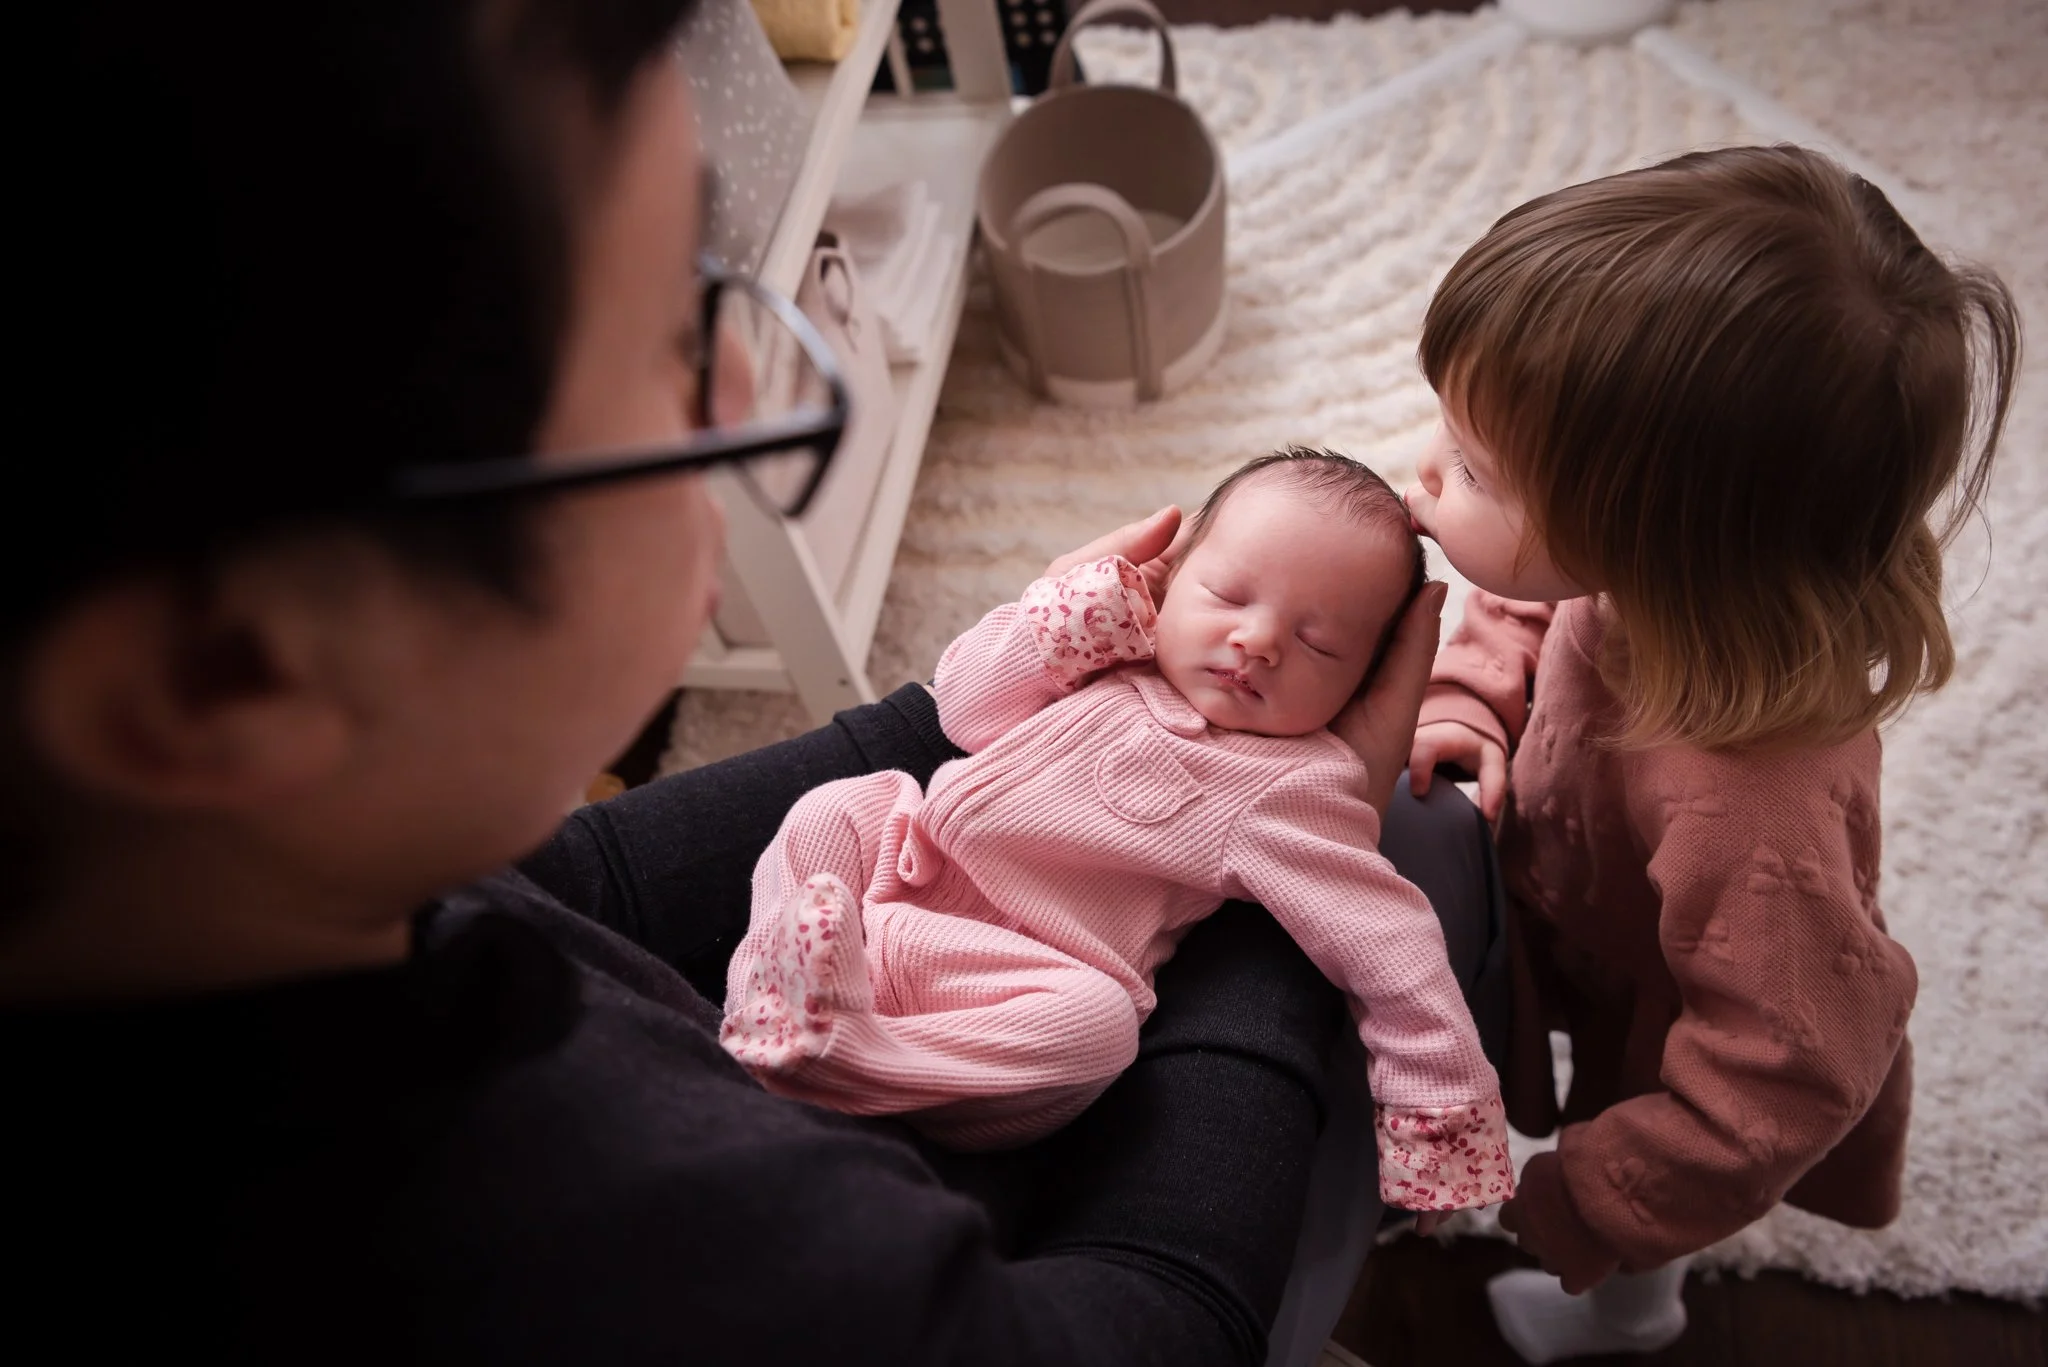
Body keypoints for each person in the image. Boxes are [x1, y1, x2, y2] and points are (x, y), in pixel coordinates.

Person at [3, 2, 1507, 1363]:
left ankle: (844, 979)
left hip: (1010, 977)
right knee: (1428, 855)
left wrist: (1275, 812)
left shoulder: (273, 887)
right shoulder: (693, 1262)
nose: (743, 397)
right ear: (227, 679)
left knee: (1117, 963)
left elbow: (592, 867)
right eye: (675, 340)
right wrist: (1294, 872)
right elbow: (1156, 1322)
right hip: (991, 1094)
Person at [1399, 144, 2020, 1364]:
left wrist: (1593, 1194)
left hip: (1685, 1004)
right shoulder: (1661, 574)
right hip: (1594, 910)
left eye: (1472, 468)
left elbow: (1785, 1068)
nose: (1421, 465)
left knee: (1644, 1205)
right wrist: (1471, 698)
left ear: (1661, 540)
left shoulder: (1748, 808)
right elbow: (1530, 600)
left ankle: (1636, 1315)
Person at [723, 449, 1513, 1221]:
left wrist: (1440, 1112)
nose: (1259, 641)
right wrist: (1073, 613)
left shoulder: (1292, 787)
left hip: (1017, 996)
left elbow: (1388, 938)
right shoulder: (1107, 649)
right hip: (892, 888)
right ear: (1171, 578)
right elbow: (962, 707)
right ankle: (778, 984)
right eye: (1229, 594)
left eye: (1319, 645)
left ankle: (856, 1059)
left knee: (1099, 1026)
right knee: (841, 805)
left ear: (1363, 681)